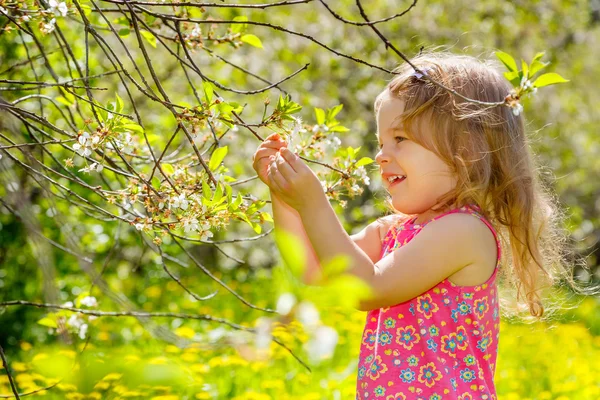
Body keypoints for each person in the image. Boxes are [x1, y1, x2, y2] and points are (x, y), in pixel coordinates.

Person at [251, 51, 586, 399]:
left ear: (466, 149)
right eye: (381, 142)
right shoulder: (396, 229)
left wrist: (314, 201)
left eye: (400, 139)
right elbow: (315, 270)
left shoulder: (463, 231)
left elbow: (368, 289)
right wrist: (286, 197)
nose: (381, 154)